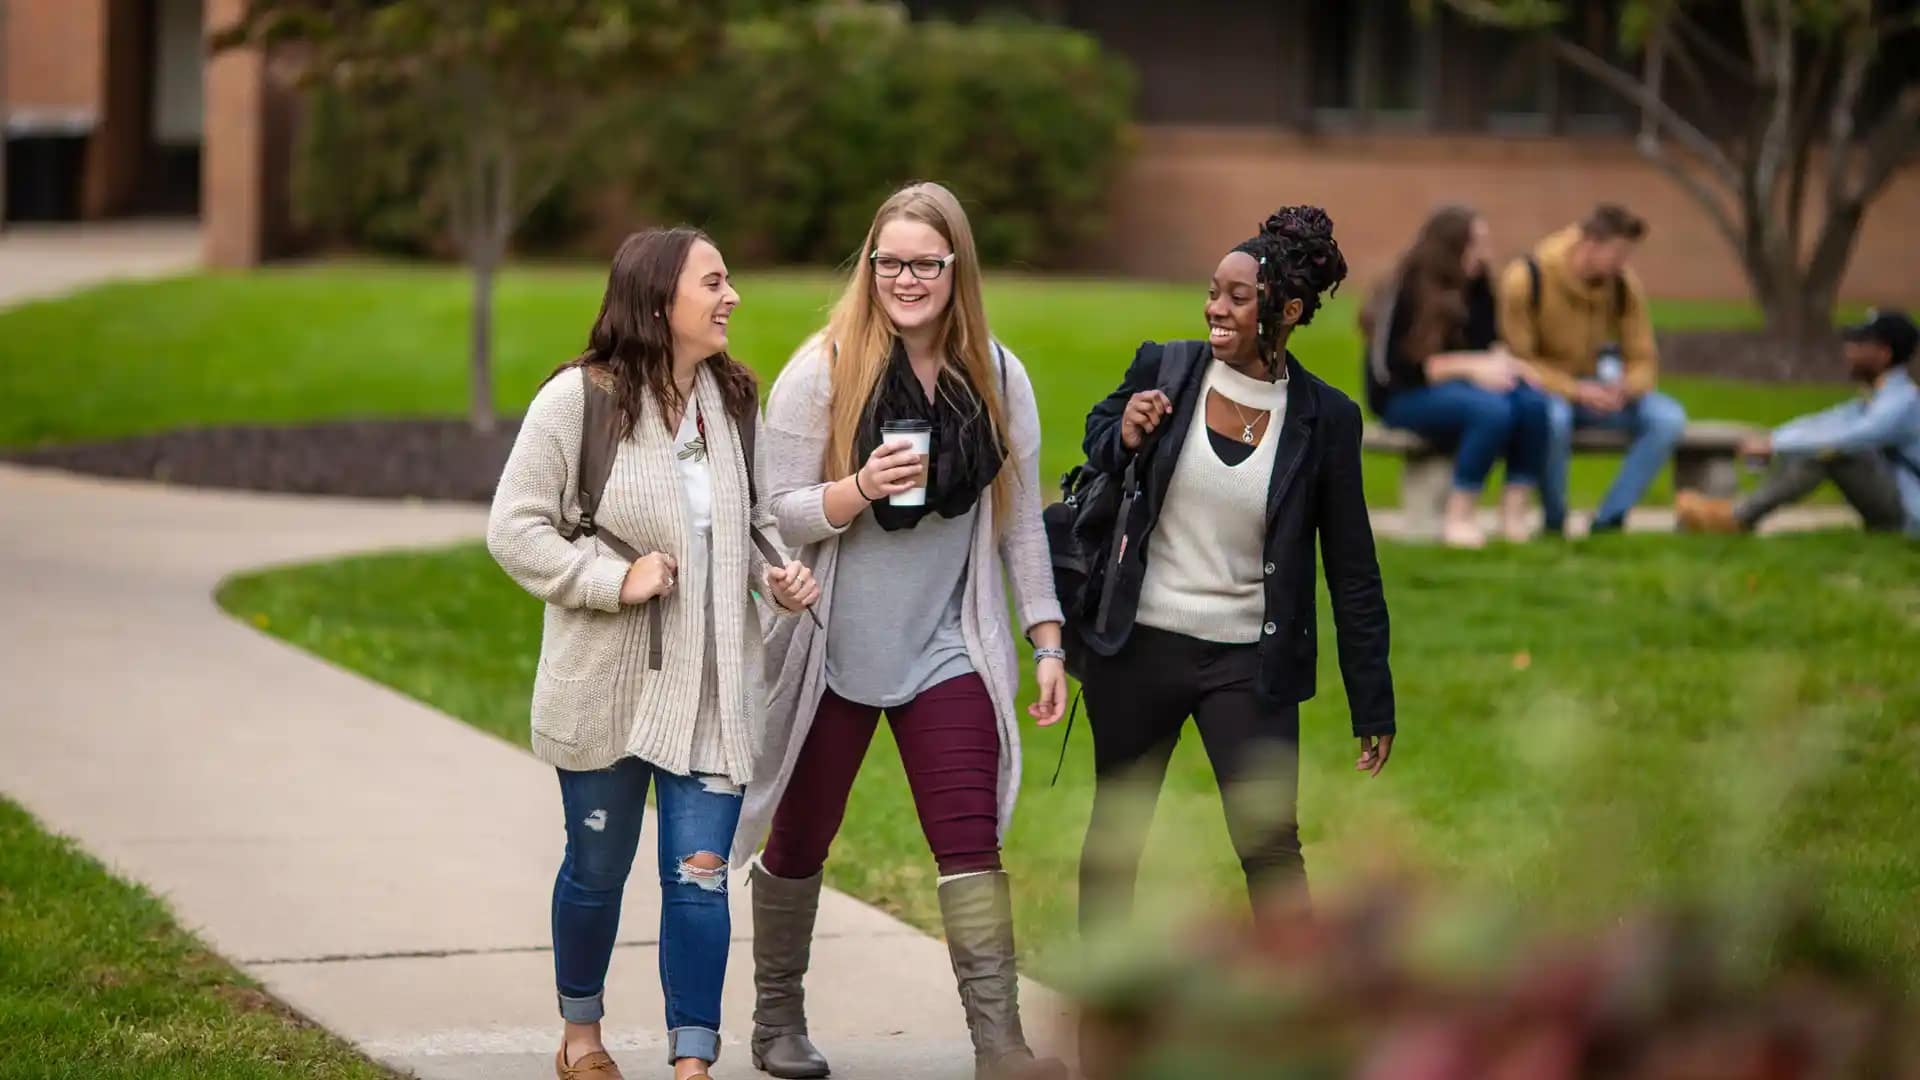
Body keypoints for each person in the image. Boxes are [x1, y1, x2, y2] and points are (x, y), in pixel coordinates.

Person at [734, 182, 1069, 1080]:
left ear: (956, 268)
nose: (906, 279)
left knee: (970, 840)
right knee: (800, 840)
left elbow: (1020, 520)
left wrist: (1045, 640)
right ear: (870, 266)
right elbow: (776, 514)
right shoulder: (824, 370)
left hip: (944, 644)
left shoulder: (996, 375)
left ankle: (1000, 1046)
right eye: (890, 262)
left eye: (926, 262)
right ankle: (777, 1025)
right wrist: (860, 490)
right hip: (830, 647)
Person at [487, 228, 820, 1080]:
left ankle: (692, 1063)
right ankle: (582, 1035)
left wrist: (774, 576)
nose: (732, 296)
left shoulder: (732, 398)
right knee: (596, 868)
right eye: (714, 282)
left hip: (711, 688)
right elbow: (514, 528)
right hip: (605, 685)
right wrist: (611, 580)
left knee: (700, 877)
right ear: (658, 300)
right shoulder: (578, 402)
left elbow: (744, 522)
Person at [1073, 207, 1395, 934]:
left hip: (1249, 660)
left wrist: (1372, 700)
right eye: (1213, 291)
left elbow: (1352, 567)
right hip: (1140, 646)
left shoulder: (1327, 419)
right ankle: (1105, 1025)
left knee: (1270, 846)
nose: (1216, 307)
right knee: (1116, 841)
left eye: (1236, 297)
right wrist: (1125, 433)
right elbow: (1098, 440)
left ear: (1284, 310)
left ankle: (1299, 1025)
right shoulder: (1166, 368)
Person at [1364, 205, 1552, 547]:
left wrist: (1508, 364)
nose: (1486, 250)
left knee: (1534, 404)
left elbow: (1487, 344)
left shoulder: (1478, 286)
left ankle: (1514, 511)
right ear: (1451, 247)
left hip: (1460, 389)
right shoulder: (1404, 288)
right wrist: (1468, 367)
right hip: (1402, 396)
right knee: (1491, 411)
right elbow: (1391, 371)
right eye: (1477, 242)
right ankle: (1459, 514)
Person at [1498, 203, 1688, 534]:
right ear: (1589, 244)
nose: (1623, 264)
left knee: (1667, 419)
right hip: (1546, 389)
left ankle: (1609, 519)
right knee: (1553, 420)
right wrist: (1576, 391)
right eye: (1617, 254)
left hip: (1600, 388)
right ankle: (1555, 520)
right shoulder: (1527, 279)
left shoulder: (1623, 285)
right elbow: (1520, 361)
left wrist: (1627, 387)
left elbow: (1643, 355)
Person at [1677, 310, 1920, 536]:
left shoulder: (1901, 403)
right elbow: (1823, 422)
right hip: (1896, 506)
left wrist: (1777, 446)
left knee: (1828, 450)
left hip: (1909, 517)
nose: (1848, 351)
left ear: (1883, 354)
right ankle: (1736, 516)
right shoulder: (1876, 398)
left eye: (1859, 344)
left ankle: (1736, 518)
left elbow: (1850, 438)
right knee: (1815, 443)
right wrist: (1773, 439)